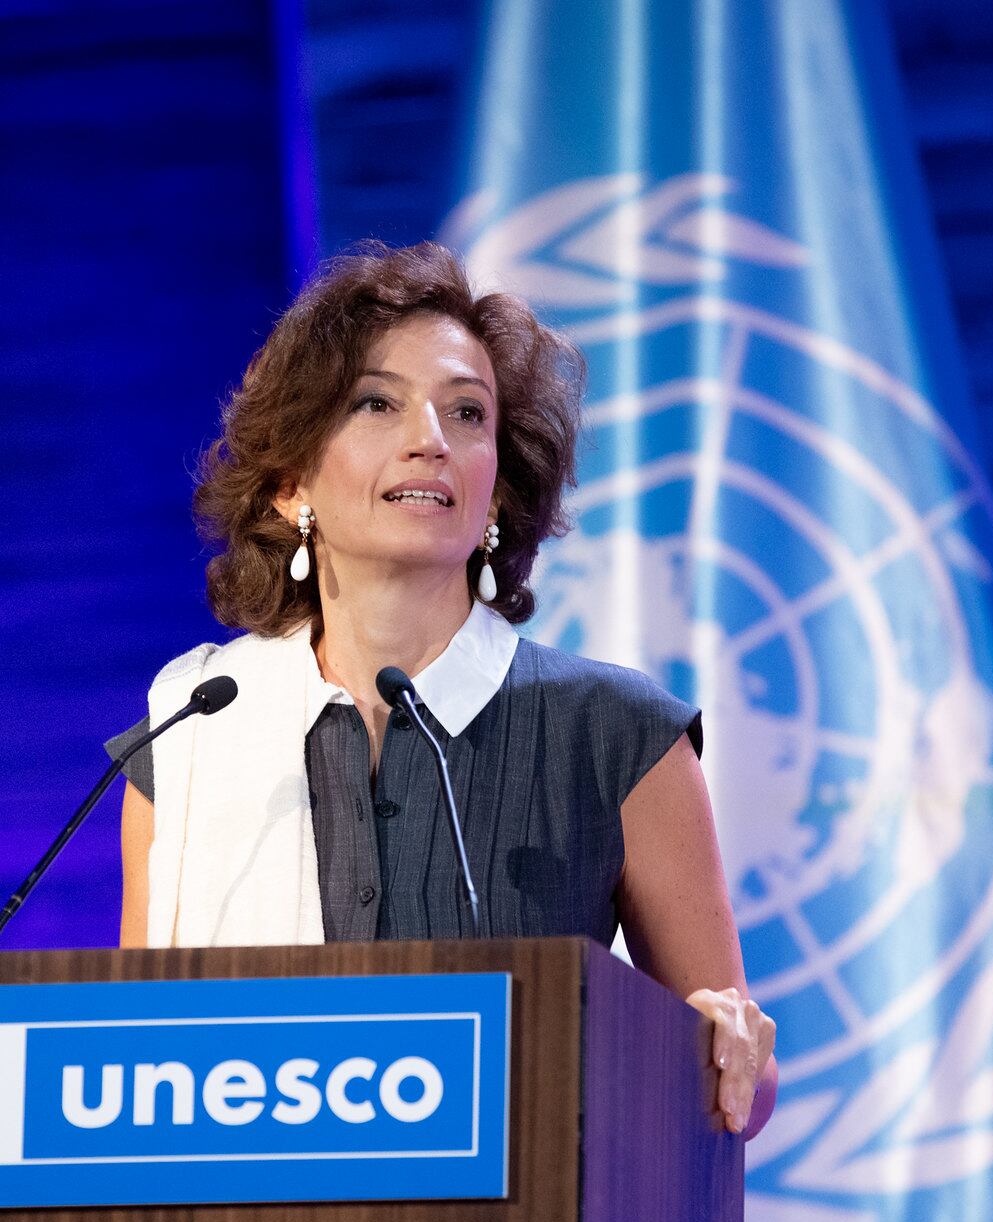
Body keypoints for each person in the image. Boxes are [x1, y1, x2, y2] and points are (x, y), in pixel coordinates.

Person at [108, 242, 776, 1138]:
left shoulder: (620, 737)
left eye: (467, 413)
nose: (430, 436)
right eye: (377, 403)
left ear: (496, 492)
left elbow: (741, 1084)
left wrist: (734, 1052)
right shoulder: (190, 732)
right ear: (288, 481)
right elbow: (124, 1065)